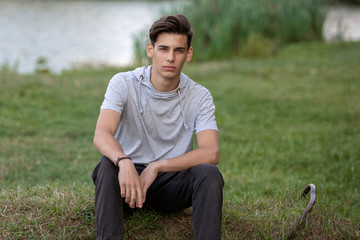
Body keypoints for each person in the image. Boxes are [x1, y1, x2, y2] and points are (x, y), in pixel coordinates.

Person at [92, 14, 224, 240]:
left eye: (179, 50)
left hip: (171, 183)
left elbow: (210, 152)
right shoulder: (123, 83)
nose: (170, 58)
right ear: (150, 50)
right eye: (163, 49)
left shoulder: (199, 95)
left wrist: (157, 166)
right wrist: (124, 162)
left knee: (209, 173)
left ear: (188, 54)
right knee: (107, 166)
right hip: (127, 184)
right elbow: (101, 134)